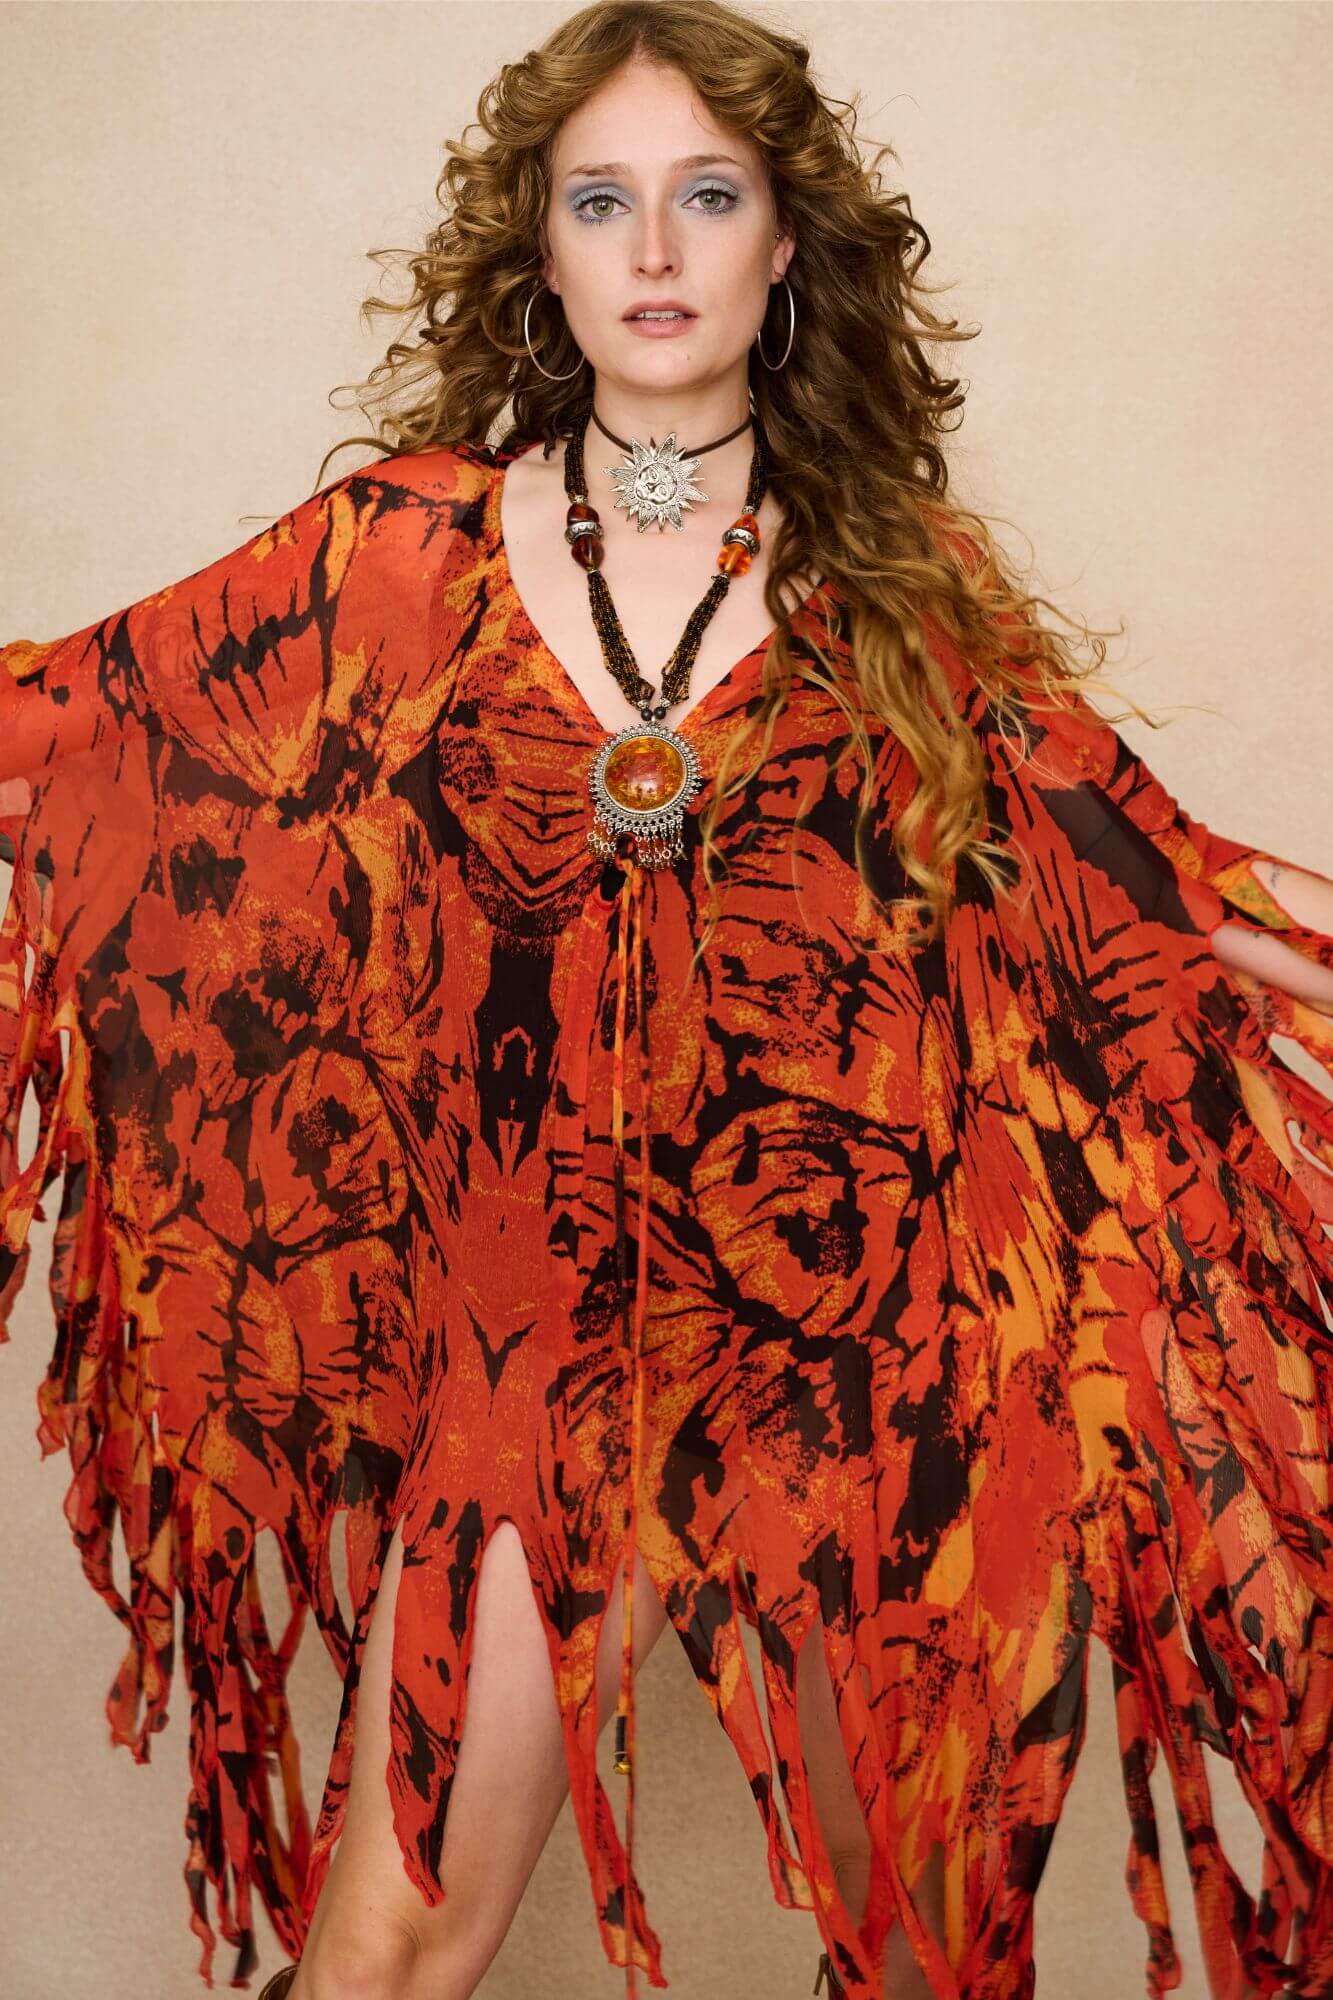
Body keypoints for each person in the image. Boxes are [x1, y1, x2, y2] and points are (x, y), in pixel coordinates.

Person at [2, 4, 1330, 1998]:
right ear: (538, 249)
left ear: (781, 247)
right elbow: (77, 738)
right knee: (383, 1948)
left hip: (854, 1382)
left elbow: (1153, 897)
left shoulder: (897, 599)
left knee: (906, 1952)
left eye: (704, 198)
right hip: (534, 1376)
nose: (651, 252)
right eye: (600, 201)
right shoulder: (397, 558)